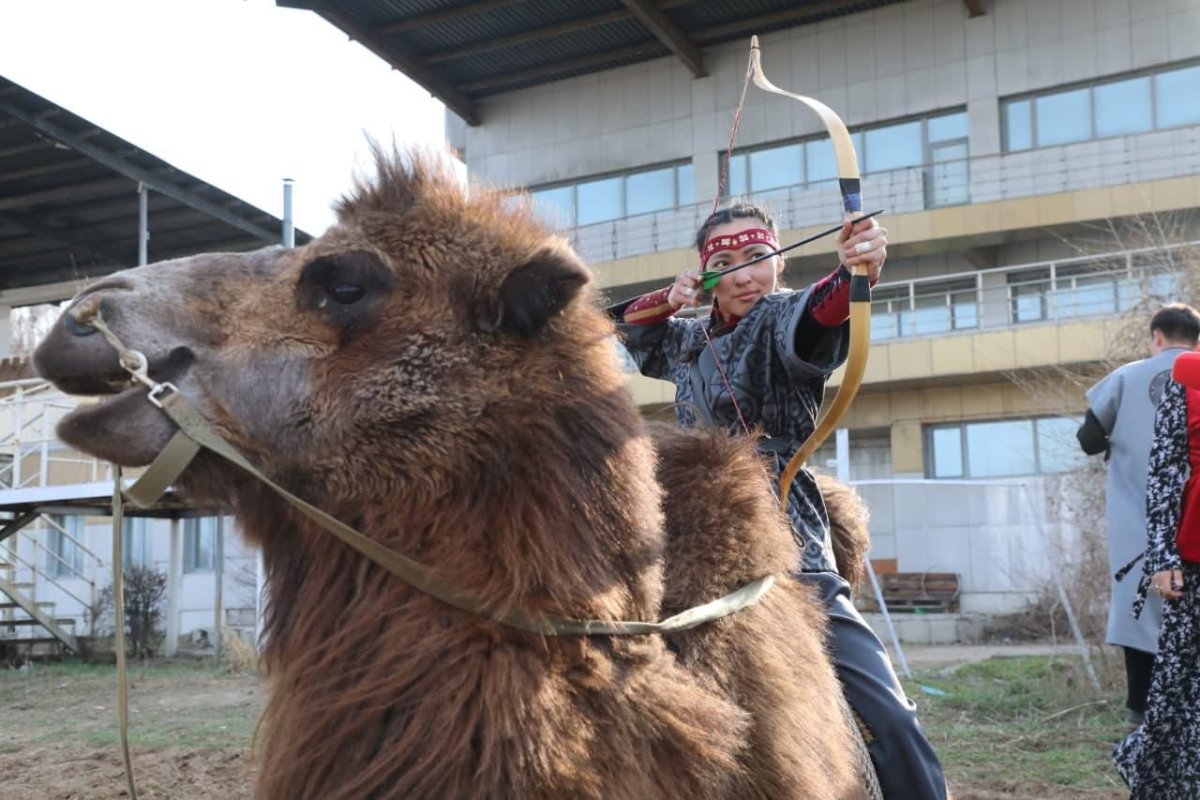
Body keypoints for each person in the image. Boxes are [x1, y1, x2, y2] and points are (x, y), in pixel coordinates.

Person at [611, 202, 948, 800]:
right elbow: (626, 328)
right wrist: (671, 295)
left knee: (890, 721)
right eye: (724, 264)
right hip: (686, 541)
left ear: (778, 260)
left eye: (758, 258)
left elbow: (821, 313)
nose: (744, 275)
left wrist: (857, 271)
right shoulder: (689, 338)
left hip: (787, 545)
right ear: (705, 275)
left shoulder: (777, 319)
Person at [1077, 303, 1200, 724]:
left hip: (1138, 529)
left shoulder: (1128, 376)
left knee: (1138, 618)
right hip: (1192, 527)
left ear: (1157, 338)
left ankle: (1141, 720)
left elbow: (1089, 438)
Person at [1112, 367, 1200, 796]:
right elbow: (1165, 470)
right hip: (1194, 558)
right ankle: (1156, 777)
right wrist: (1163, 557)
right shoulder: (1186, 376)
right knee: (1177, 692)